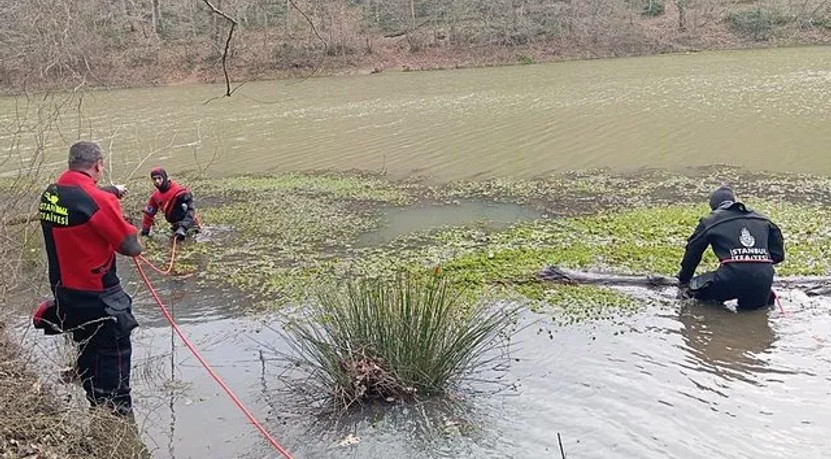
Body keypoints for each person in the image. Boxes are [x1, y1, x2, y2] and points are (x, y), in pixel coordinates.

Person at [36, 140, 143, 415]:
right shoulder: (99, 201)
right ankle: (119, 431)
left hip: (66, 297)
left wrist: (110, 194)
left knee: (88, 356)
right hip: (99, 297)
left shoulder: (50, 195)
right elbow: (131, 246)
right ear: (98, 165)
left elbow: (78, 201)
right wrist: (120, 216)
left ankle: (95, 411)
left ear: (71, 163)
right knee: (113, 370)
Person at [677, 185, 785, 310]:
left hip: (731, 278)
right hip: (763, 279)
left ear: (713, 206)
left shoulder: (711, 220)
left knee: (694, 294)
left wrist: (684, 280)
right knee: (752, 314)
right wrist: (755, 263)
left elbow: (692, 252)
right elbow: (778, 255)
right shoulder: (762, 219)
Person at [140, 167, 199, 241]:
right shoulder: (155, 197)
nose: (157, 181)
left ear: (164, 178)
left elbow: (191, 211)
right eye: (154, 179)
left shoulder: (181, 192)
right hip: (175, 227)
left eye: (159, 178)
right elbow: (148, 214)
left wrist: (183, 228)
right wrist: (145, 229)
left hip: (190, 226)